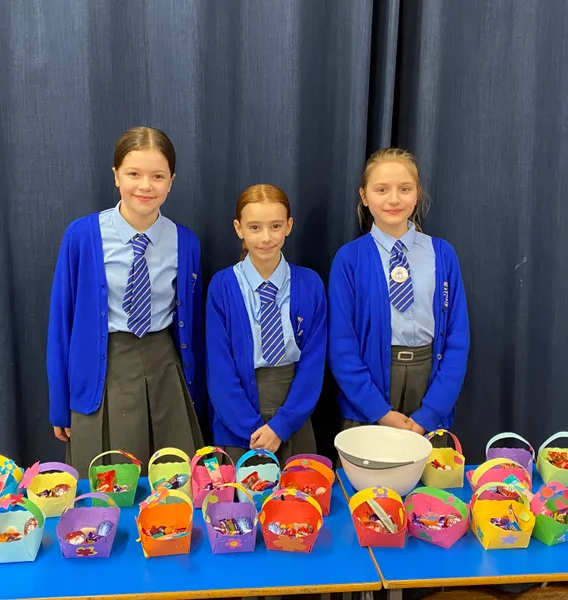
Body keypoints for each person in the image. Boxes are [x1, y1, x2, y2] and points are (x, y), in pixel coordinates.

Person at [47, 126, 204, 475]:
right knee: (109, 483)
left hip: (165, 369)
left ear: (171, 181)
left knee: (171, 481)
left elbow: (193, 330)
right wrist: (60, 404)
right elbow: (61, 323)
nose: (145, 186)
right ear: (116, 175)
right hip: (102, 372)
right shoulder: (82, 236)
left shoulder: (186, 242)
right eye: (133, 174)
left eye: (158, 176)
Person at [329, 148, 469, 437]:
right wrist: (378, 411)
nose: (393, 199)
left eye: (404, 189)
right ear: (364, 196)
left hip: (429, 386)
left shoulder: (442, 254)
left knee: (428, 467)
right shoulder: (349, 259)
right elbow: (342, 345)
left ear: (417, 194)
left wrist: (431, 411)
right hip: (369, 395)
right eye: (381, 190)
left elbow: (457, 338)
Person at [206, 184, 326, 466]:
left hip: (294, 414)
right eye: (255, 227)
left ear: (289, 226)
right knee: (242, 493)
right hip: (238, 421)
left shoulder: (310, 284)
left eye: (275, 226)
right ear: (239, 229)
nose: (266, 237)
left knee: (298, 490)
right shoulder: (222, 286)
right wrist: (253, 430)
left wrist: (281, 427)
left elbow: (313, 364)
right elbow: (219, 368)